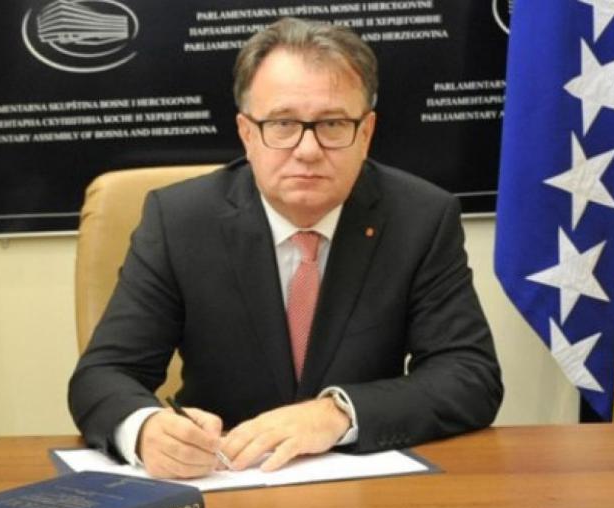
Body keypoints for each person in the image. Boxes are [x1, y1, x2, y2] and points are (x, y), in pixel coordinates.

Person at [68, 17, 503, 479]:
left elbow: (469, 374)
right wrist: (145, 429)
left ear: (366, 133)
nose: (308, 150)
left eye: (333, 123)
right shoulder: (179, 221)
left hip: (364, 487)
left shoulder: (420, 218)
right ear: (247, 133)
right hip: (221, 480)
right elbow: (103, 374)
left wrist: (340, 413)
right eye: (282, 123)